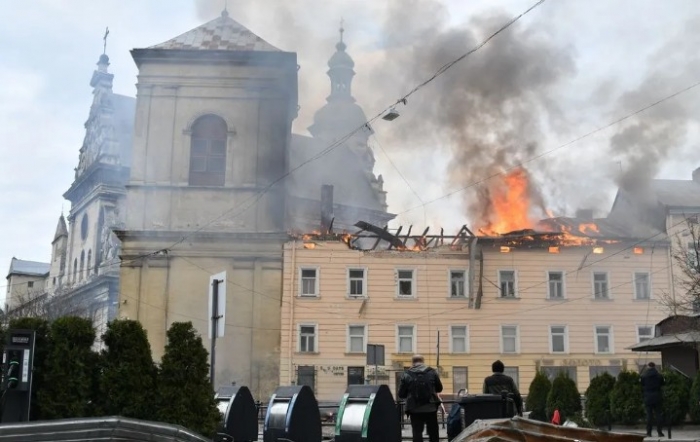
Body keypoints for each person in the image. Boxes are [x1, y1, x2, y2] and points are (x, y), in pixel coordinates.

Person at [398, 354, 444, 442]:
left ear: (412, 362)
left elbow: (401, 394)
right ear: (423, 361)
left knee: (417, 432)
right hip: (431, 407)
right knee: (433, 432)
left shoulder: (406, 374)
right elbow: (439, 388)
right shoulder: (432, 372)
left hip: (414, 409)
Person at [640, 362, 665, 437]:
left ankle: (649, 432)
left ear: (648, 367)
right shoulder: (659, 376)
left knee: (649, 415)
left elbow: (642, 384)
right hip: (657, 396)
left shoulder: (644, 376)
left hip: (648, 397)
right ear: (655, 367)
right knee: (658, 415)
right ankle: (660, 432)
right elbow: (663, 383)